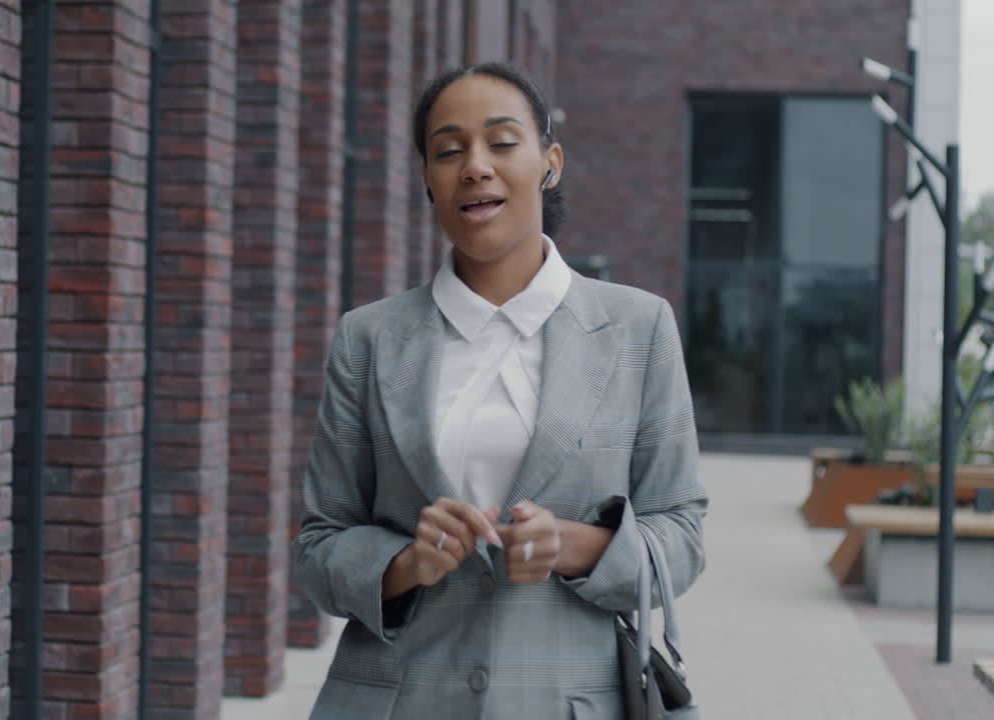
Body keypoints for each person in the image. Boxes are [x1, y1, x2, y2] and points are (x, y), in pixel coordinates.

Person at [291, 62, 708, 720]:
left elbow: (681, 536)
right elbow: (320, 545)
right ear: (427, 180)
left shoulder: (639, 328)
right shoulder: (368, 339)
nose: (475, 167)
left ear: (550, 163)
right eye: (448, 151)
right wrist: (407, 563)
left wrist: (572, 546)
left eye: (502, 142)